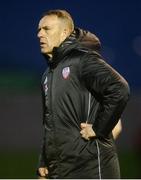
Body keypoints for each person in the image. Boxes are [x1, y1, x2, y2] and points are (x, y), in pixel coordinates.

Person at [37, 9, 130, 179]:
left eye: (46, 29)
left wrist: (99, 128)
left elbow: (119, 88)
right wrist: (44, 161)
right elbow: (49, 121)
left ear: (64, 32)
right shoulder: (47, 74)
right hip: (61, 170)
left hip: (91, 169)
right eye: (39, 30)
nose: (40, 34)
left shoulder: (83, 60)